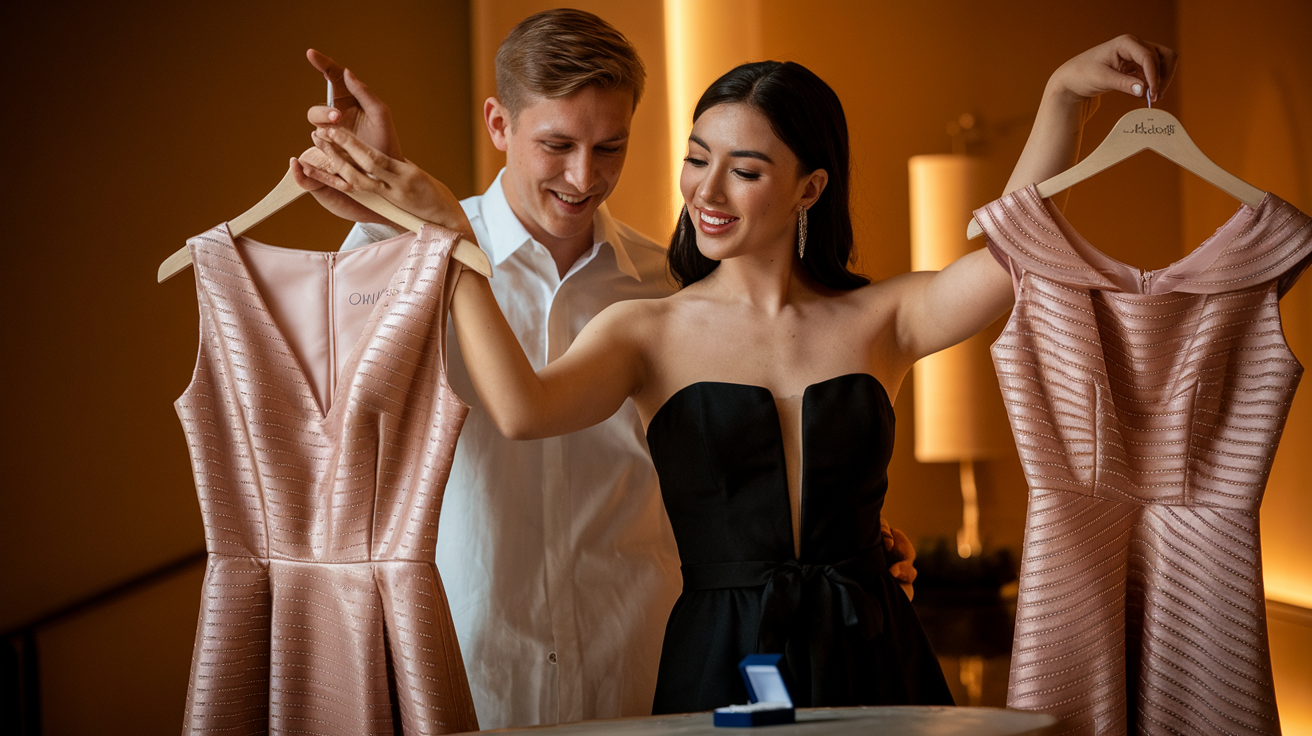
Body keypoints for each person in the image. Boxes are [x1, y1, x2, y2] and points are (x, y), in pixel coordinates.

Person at [301, 25, 1175, 713]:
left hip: (874, 644)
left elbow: (1013, 253)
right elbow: (521, 408)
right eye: (697, 159)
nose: (707, 193)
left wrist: (1063, 99)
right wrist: (445, 236)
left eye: (745, 170)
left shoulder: (884, 316)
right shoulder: (645, 325)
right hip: (714, 655)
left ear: (809, 188)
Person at [292, 9, 919, 727]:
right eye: (557, 145)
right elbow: (330, 411)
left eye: (609, 148)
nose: (584, 176)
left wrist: (847, 533)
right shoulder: (413, 262)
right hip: (472, 662)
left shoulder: (674, 287)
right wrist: (385, 220)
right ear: (499, 125)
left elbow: (740, 453)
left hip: (642, 666)